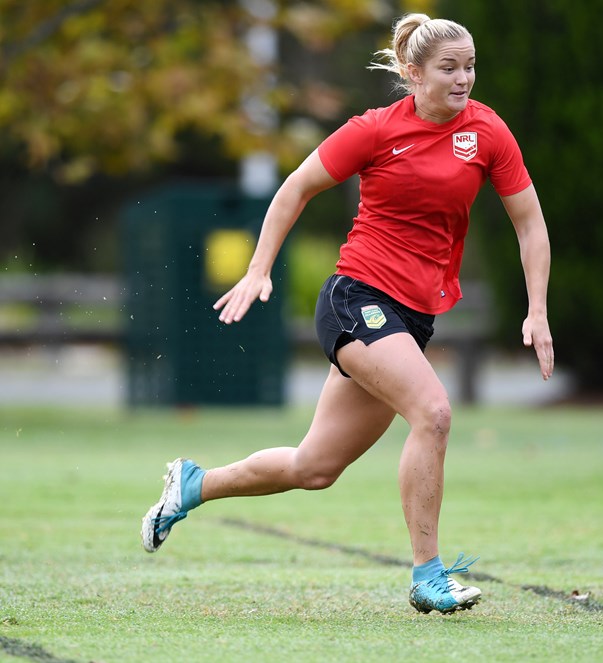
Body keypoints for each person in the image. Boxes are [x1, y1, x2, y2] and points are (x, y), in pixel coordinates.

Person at [141, 13, 554, 613]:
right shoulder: (373, 130)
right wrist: (258, 270)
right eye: (449, 68)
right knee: (434, 412)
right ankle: (428, 575)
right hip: (357, 298)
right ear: (413, 73)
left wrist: (537, 309)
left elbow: (530, 223)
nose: (463, 79)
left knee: (315, 467)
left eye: (469, 66)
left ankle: (194, 485)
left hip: (412, 317)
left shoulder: (487, 131)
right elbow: (294, 188)